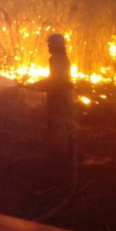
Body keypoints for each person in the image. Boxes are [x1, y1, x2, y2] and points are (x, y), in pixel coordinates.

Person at [28, 33, 76, 168]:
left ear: (55, 46)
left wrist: (39, 86)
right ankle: (67, 154)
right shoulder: (64, 58)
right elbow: (55, 78)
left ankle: (58, 157)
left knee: (56, 124)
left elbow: (55, 81)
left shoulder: (55, 59)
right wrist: (37, 84)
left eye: (50, 45)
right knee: (65, 123)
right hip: (64, 94)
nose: (48, 47)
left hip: (58, 95)